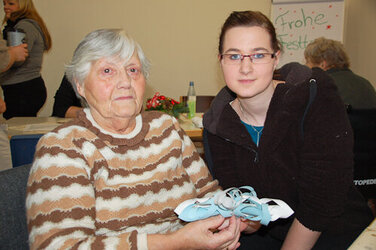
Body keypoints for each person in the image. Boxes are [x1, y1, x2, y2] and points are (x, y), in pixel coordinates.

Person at [26, 29, 250, 250]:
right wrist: (174, 243)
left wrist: (238, 216)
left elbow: (208, 195)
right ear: (80, 85)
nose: (125, 81)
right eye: (107, 70)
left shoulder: (167, 128)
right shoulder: (62, 147)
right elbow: (58, 246)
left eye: (133, 70)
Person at [203, 10, 373, 249]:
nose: (245, 68)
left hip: (334, 230)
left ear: (276, 58)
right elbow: (243, 202)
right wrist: (245, 219)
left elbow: (323, 200)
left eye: (258, 54)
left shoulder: (315, 94)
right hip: (268, 235)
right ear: (220, 60)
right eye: (234, 56)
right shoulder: (217, 126)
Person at [0, 0, 52, 119]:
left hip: (22, 90)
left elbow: (18, 59)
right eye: (4, 4)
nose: (5, 7)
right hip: (24, 88)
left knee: (16, 131)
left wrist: (5, 55)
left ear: (23, 5)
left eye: (11, 4)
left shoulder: (23, 26)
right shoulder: (24, 25)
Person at [304, 37, 376, 109]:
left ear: (322, 64)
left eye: (308, 62)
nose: (305, 66)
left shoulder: (319, 87)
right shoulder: (366, 84)